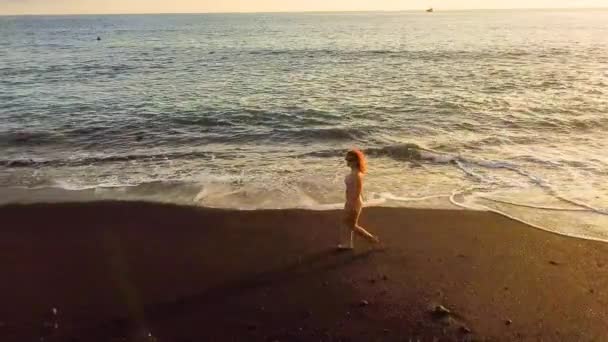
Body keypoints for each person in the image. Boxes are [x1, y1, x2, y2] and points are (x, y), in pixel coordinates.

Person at [337, 149, 380, 249]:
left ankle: (371, 238)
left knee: (351, 225)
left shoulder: (357, 175)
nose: (347, 162)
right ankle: (349, 244)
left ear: (356, 161)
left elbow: (357, 192)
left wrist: (350, 204)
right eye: (346, 159)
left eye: (350, 160)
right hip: (351, 202)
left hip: (354, 203)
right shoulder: (353, 173)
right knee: (349, 224)